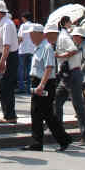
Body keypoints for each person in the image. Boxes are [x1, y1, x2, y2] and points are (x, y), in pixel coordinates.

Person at [23, 23, 72, 152]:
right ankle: (41, 141)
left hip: (44, 83)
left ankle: (59, 139)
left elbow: (49, 67)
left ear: (40, 34)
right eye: (30, 35)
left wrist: (41, 85)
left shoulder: (46, 47)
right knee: (41, 113)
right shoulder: (39, 47)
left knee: (44, 113)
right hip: (38, 82)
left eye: (32, 35)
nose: (31, 37)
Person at [55, 24, 85, 143]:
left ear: (79, 37)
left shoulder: (82, 47)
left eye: (75, 36)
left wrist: (60, 55)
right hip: (68, 75)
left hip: (73, 74)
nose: (73, 37)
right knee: (57, 100)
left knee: (78, 104)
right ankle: (57, 128)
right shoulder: (75, 44)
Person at [0, 0, 19, 123]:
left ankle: (10, 115)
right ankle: (7, 113)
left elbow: (7, 46)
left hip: (8, 56)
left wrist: (2, 62)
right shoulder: (1, 23)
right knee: (1, 85)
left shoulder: (7, 24)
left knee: (5, 85)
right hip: (3, 55)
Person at [16, 12, 35, 94]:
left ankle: (21, 87)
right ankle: (29, 87)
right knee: (29, 70)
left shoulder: (23, 26)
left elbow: (20, 38)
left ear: (24, 18)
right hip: (32, 50)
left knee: (21, 69)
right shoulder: (34, 26)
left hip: (23, 50)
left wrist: (16, 46)